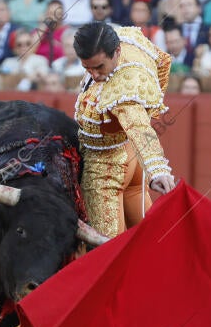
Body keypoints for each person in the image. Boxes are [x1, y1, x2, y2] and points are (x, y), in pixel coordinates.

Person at [73, 22, 175, 238]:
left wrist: (158, 169)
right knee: (152, 239)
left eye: (99, 67)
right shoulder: (129, 38)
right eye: (86, 68)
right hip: (132, 158)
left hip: (105, 169)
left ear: (116, 51)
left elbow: (138, 127)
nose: (94, 75)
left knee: (107, 250)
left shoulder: (122, 90)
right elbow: (163, 61)